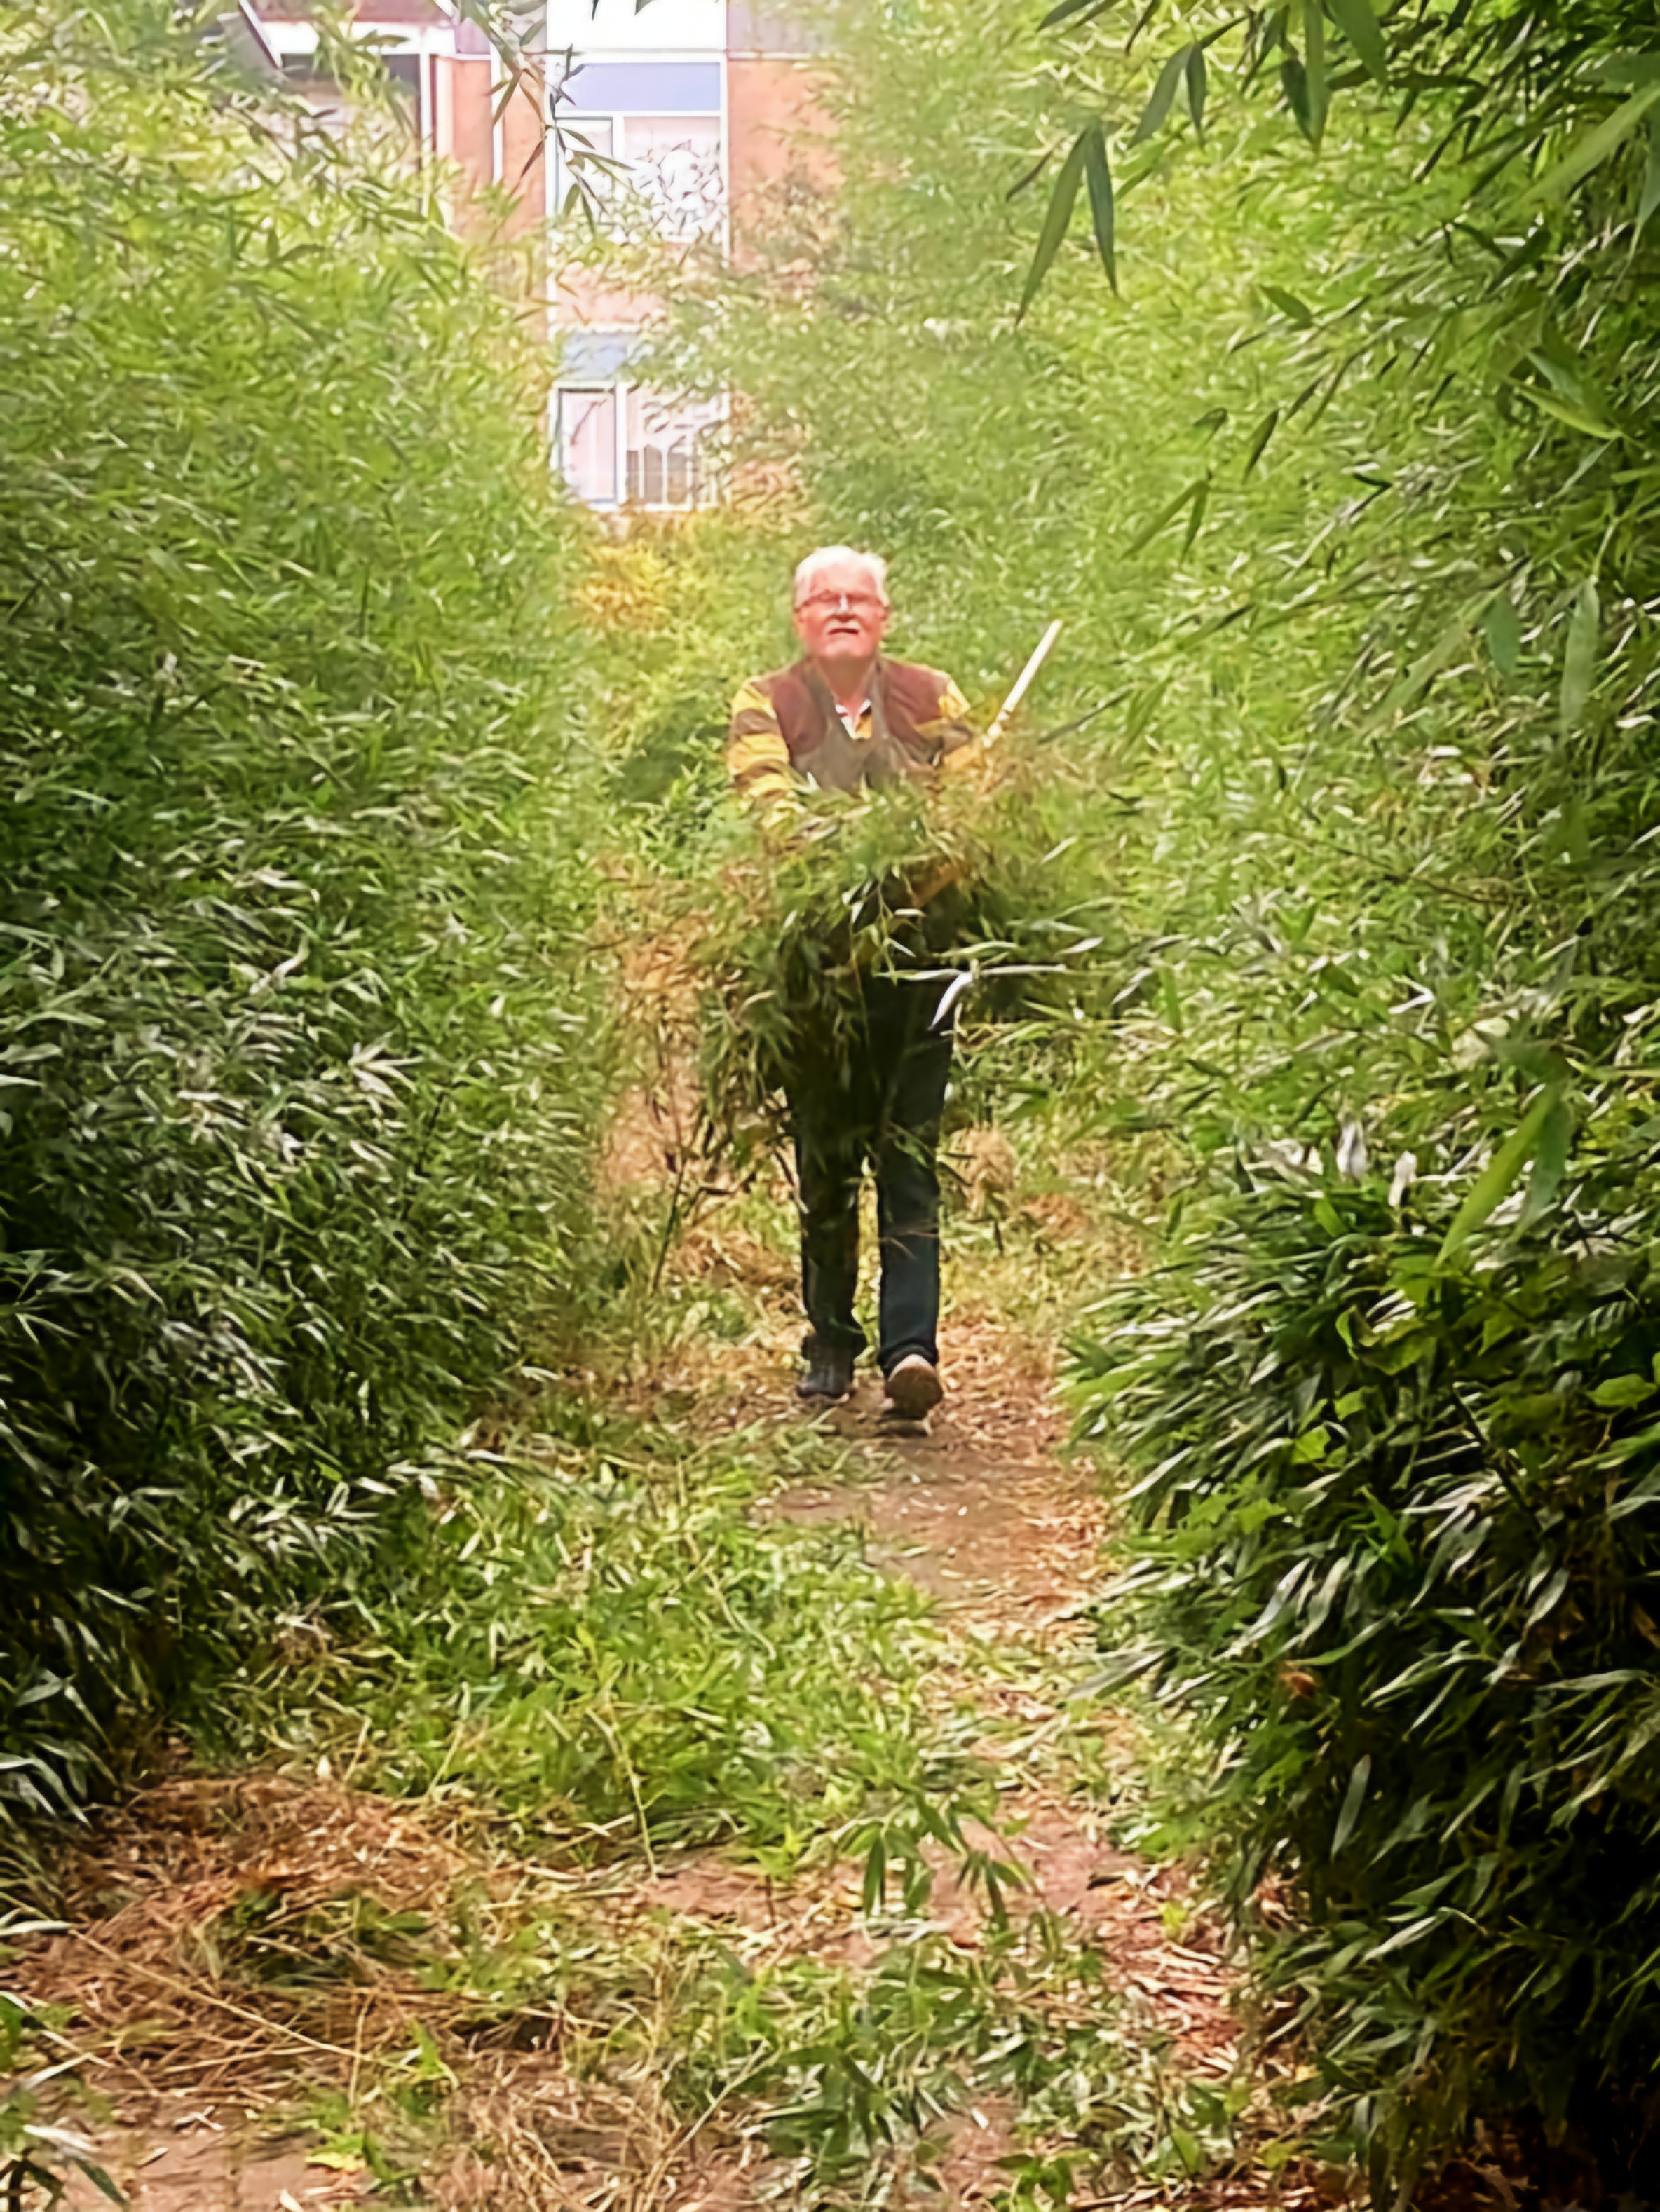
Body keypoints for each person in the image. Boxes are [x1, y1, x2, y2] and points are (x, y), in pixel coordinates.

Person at [726, 545, 980, 1424]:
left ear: (883, 617)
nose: (842, 610)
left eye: (858, 599)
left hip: (918, 969)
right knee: (828, 1162)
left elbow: (974, 803)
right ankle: (831, 1342)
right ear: (799, 621)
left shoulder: (931, 696)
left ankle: (911, 1348)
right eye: (824, 600)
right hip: (819, 970)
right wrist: (848, 864)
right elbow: (771, 810)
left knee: (908, 1160)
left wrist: (932, 853)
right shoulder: (768, 702)